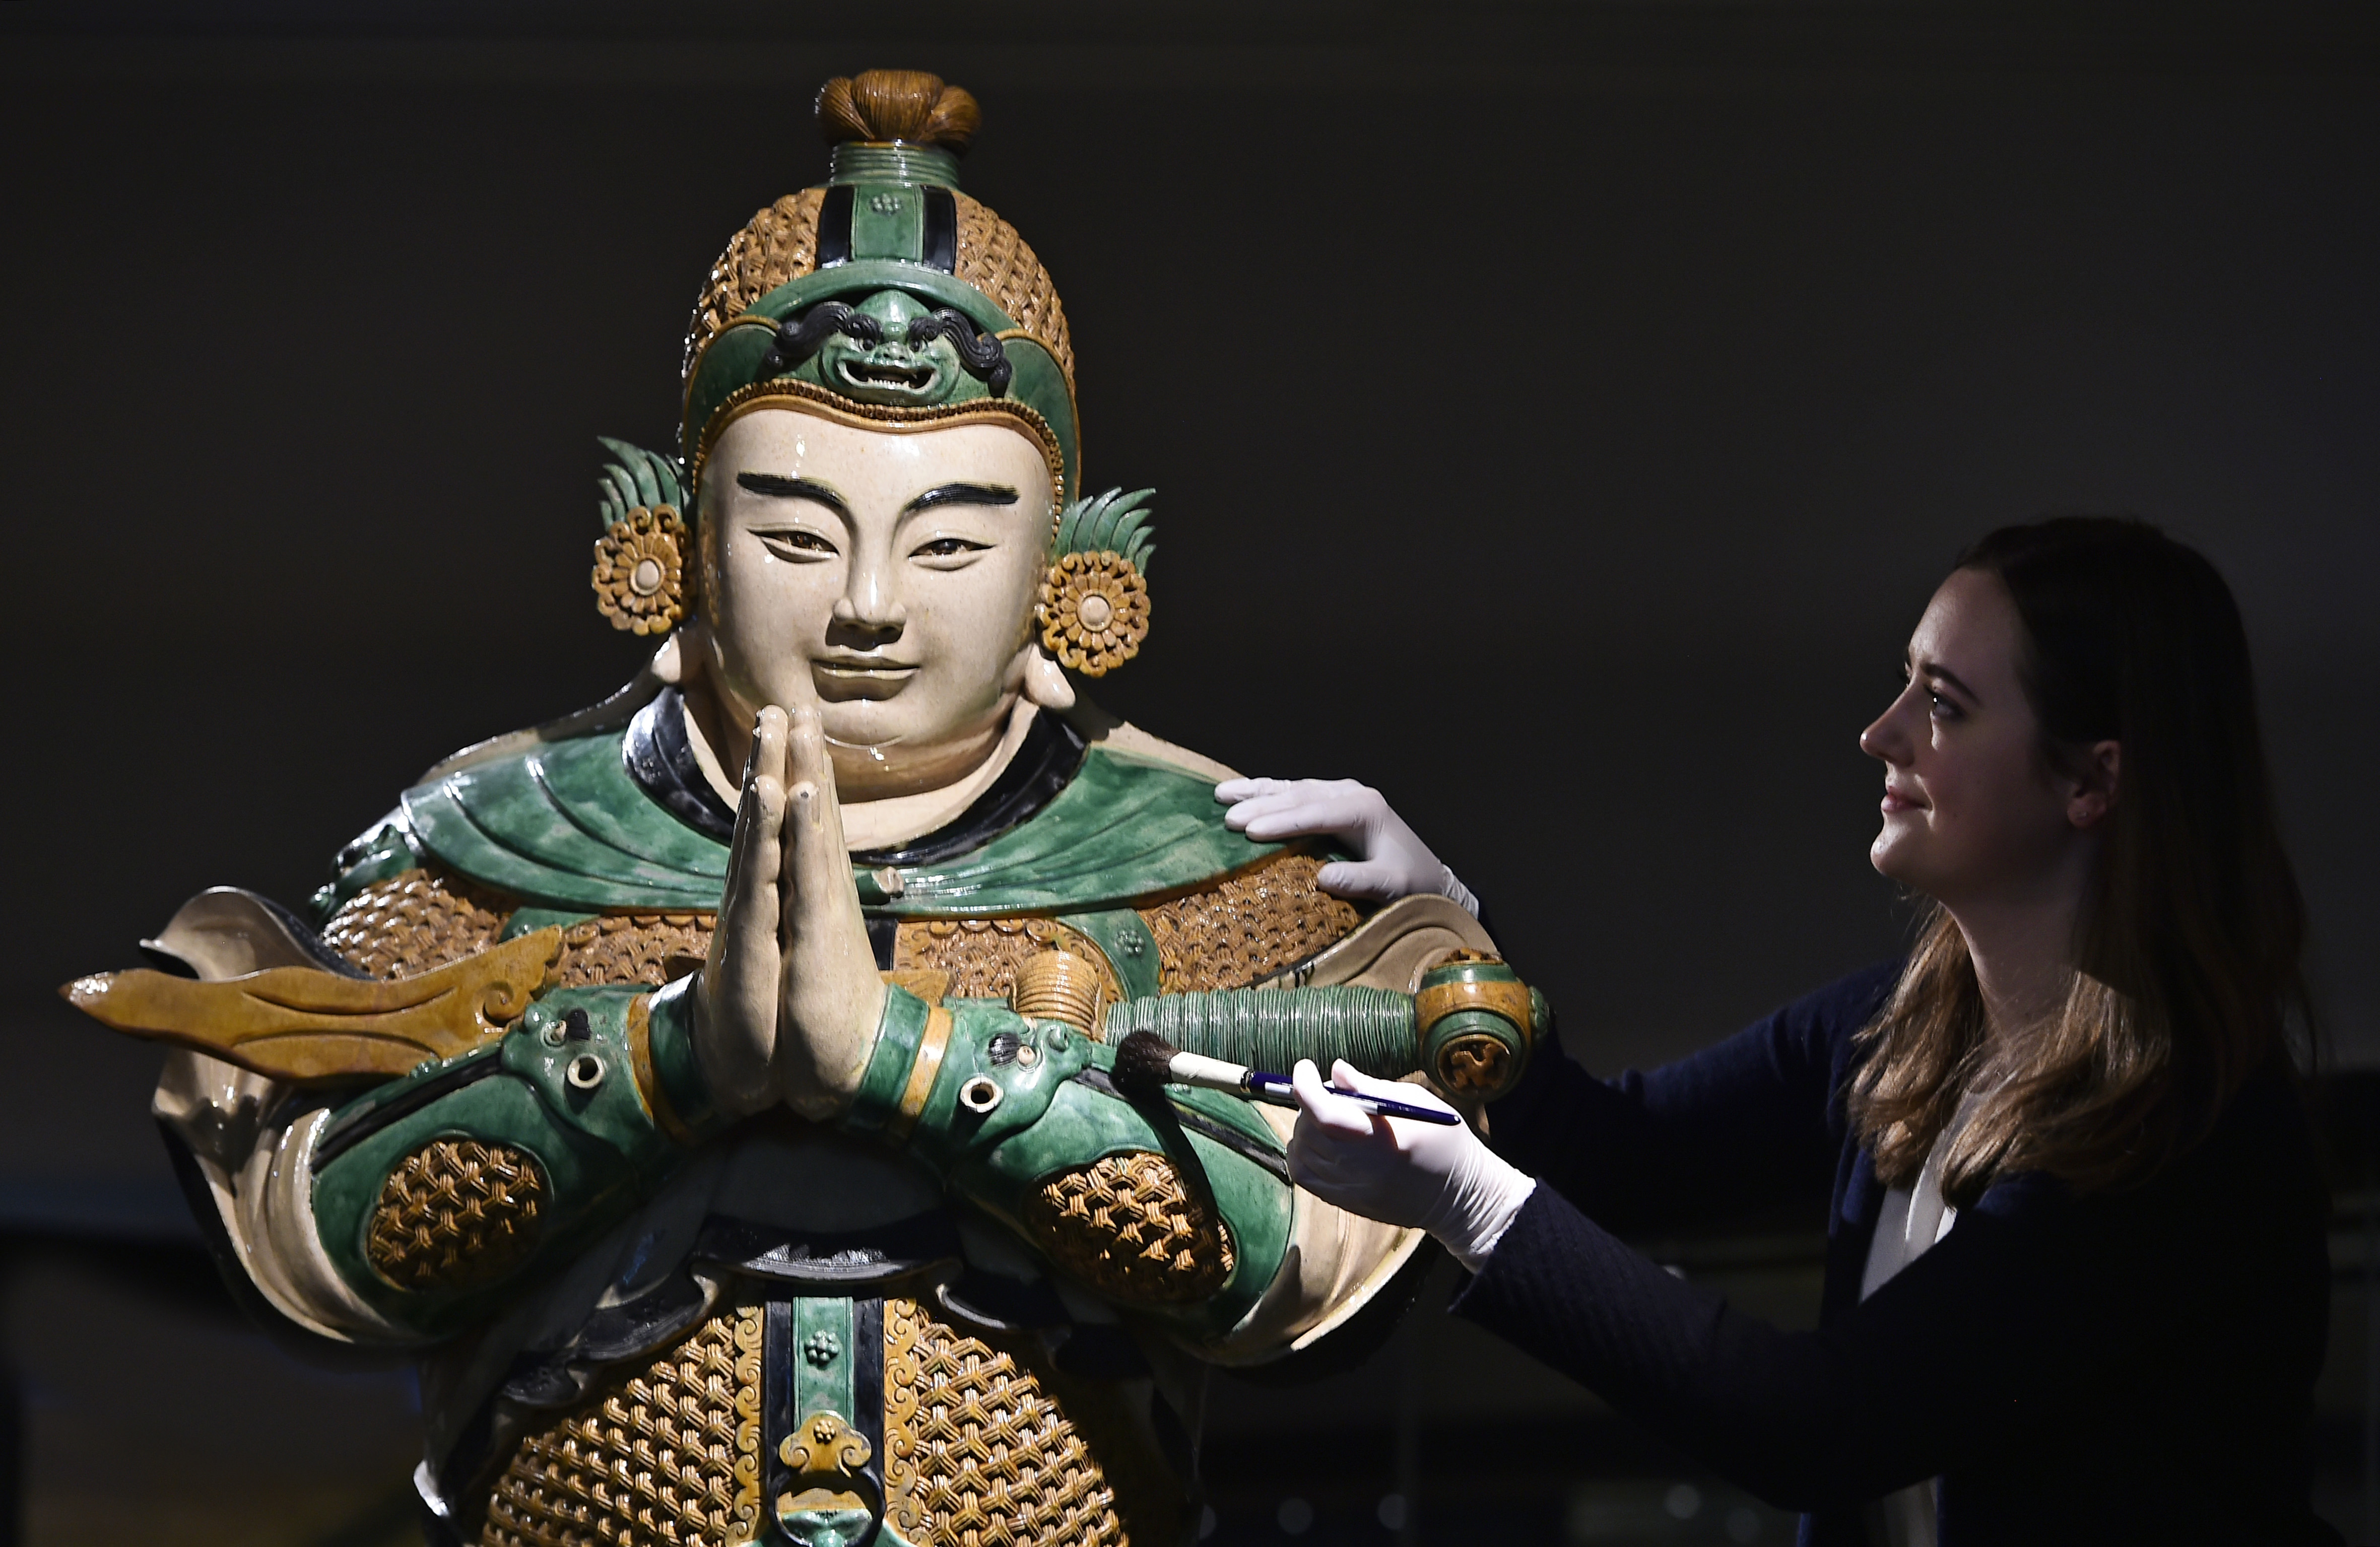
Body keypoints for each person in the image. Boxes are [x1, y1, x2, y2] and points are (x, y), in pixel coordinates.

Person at [63, 71, 1531, 1547]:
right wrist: (671, 1060)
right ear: (674, 540)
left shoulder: (1200, 869)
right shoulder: (497, 839)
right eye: (792, 532)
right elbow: (333, 1241)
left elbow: (1284, 1266)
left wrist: (903, 1058)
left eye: (951, 539)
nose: (871, 608)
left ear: (1069, 569)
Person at [1258, 517, 2341, 1544]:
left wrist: (1464, 1195)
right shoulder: (1896, 1026)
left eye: (1946, 705)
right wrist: (1451, 932)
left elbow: (1822, 1422)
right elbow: (1619, 1155)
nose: (1881, 734)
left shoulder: (2182, 1131)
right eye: (1904, 683)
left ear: (2091, 781)